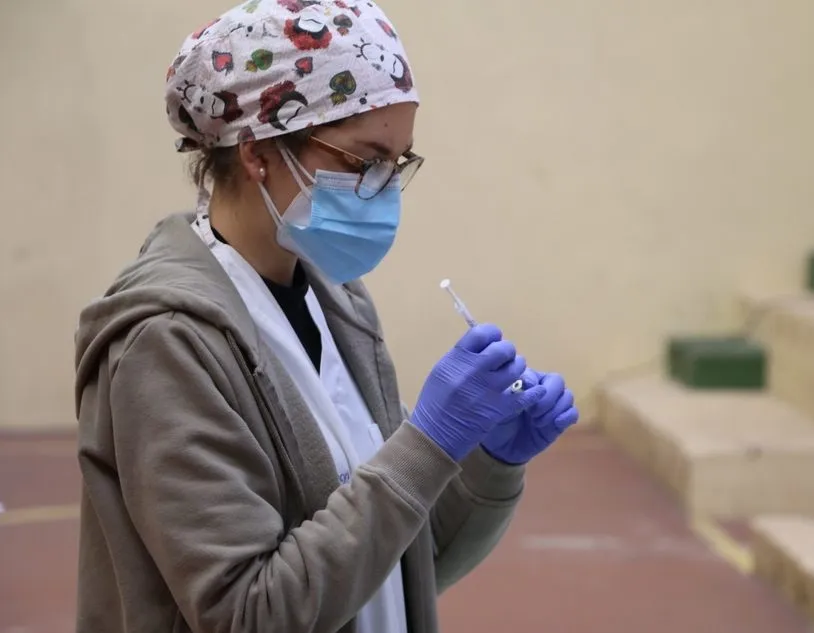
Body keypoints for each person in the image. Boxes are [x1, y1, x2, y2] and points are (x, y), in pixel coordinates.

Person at [73, 1, 578, 632]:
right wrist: (426, 443)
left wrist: (488, 465)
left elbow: (395, 565)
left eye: (399, 164)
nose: (384, 189)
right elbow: (248, 613)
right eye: (364, 162)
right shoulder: (165, 342)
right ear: (257, 152)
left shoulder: (335, 298)